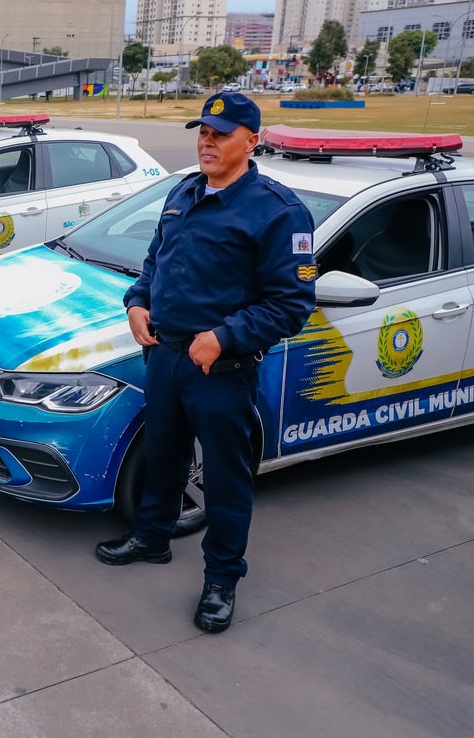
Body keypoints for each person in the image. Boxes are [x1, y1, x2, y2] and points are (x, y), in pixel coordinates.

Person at [94, 92, 317, 634]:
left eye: (220, 133)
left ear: (251, 140)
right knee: (163, 456)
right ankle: (152, 538)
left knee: (224, 478)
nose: (207, 141)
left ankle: (221, 579)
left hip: (222, 369)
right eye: (203, 132)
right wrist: (137, 302)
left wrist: (224, 336)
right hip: (164, 355)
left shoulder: (280, 212)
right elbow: (155, 261)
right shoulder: (184, 192)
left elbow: (292, 305)